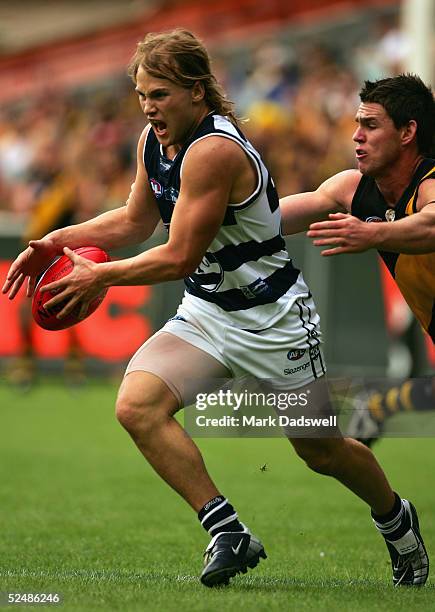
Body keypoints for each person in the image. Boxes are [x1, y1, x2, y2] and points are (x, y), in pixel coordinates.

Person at [2, 33, 427, 588]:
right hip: (209, 311)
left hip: (274, 317)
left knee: (321, 451)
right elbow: (134, 221)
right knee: (136, 406)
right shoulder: (154, 142)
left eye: (160, 93)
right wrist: (57, 240)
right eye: (140, 95)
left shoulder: (214, 150)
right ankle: (226, 530)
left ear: (197, 91)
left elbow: (179, 254)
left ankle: (397, 520)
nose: (149, 106)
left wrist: (99, 273)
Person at [280, 74, 434, 449]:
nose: (356, 136)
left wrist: (373, 233)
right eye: (357, 124)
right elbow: (266, 219)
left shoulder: (430, 182)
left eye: (371, 125)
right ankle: (379, 406)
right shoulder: (352, 189)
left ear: (407, 132)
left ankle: (378, 405)